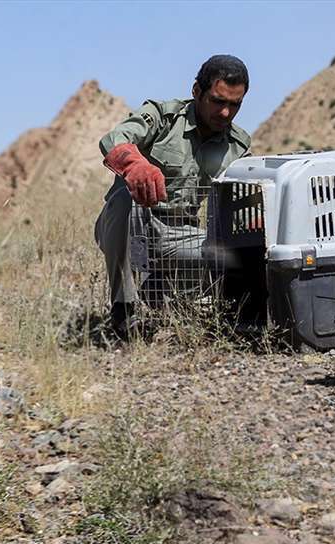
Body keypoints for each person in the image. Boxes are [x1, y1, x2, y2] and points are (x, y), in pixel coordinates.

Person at [94, 54, 252, 339]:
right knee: (122, 199)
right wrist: (135, 165)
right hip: (135, 222)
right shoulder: (162, 117)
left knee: (240, 260)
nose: (226, 113)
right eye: (218, 101)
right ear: (196, 92)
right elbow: (113, 140)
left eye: (235, 105)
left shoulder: (238, 145)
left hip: (183, 233)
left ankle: (162, 288)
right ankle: (123, 309)